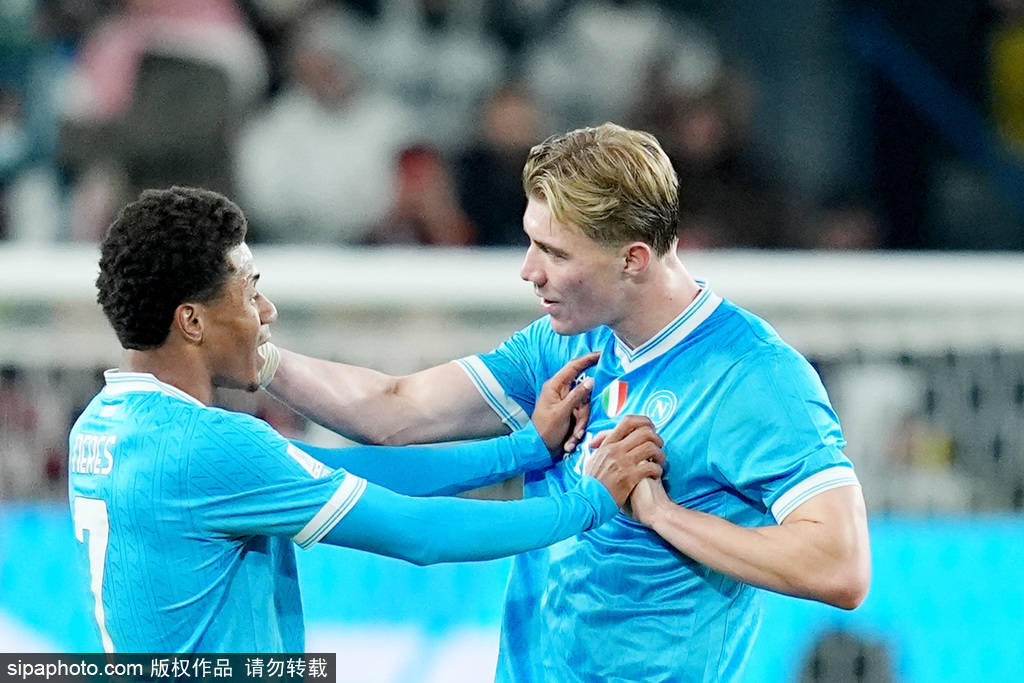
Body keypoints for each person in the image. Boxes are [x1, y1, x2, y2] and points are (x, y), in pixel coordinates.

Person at [258, 123, 872, 682]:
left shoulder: (753, 375)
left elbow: (840, 566)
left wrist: (662, 515)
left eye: (555, 252)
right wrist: (259, 361)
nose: (529, 271)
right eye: (532, 243)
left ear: (633, 258)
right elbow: (394, 409)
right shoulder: (564, 345)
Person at [67, 186, 665, 653]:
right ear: (192, 321)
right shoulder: (208, 446)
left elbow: (355, 471)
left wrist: (522, 450)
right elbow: (420, 533)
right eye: (249, 293)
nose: (267, 311)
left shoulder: (101, 425)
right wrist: (588, 503)